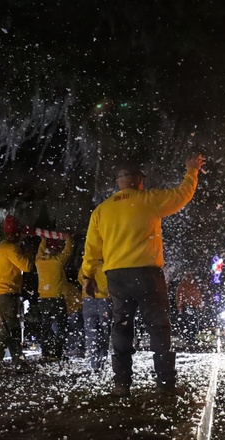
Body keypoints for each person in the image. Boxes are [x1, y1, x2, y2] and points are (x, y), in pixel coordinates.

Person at [81, 153, 205, 397]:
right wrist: (191, 172)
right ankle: (165, 383)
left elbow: (91, 249)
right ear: (139, 181)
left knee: (122, 327)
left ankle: (122, 384)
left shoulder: (101, 211)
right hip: (147, 274)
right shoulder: (149, 199)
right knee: (158, 327)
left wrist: (87, 276)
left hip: (116, 276)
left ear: (118, 182)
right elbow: (181, 196)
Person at [0, 215, 34, 373]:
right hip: (7, 293)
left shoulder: (0, 247)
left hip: (1, 292)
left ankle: (20, 363)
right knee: (5, 329)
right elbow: (27, 266)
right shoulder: (11, 249)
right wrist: (29, 252)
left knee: (11, 329)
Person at [35, 235, 72, 361]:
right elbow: (68, 251)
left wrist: (43, 240)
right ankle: (57, 353)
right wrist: (69, 239)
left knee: (46, 326)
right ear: (55, 250)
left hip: (43, 299)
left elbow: (40, 250)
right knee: (61, 326)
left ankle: (45, 352)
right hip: (57, 298)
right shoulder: (58, 261)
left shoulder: (39, 261)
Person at [78, 260, 111, 374]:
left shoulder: (88, 263)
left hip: (88, 300)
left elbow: (81, 278)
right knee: (105, 332)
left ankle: (94, 364)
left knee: (91, 333)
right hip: (105, 300)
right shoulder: (108, 263)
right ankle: (102, 362)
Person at [174, 271, 205, 347]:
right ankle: (190, 338)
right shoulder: (187, 285)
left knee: (191, 323)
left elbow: (197, 295)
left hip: (190, 306)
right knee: (191, 322)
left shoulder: (187, 285)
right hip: (189, 306)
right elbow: (180, 296)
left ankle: (191, 338)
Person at [62, 279, 85, 358]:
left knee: (71, 330)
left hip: (72, 311)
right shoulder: (69, 286)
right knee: (77, 330)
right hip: (75, 310)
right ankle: (78, 348)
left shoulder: (63, 287)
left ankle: (72, 348)